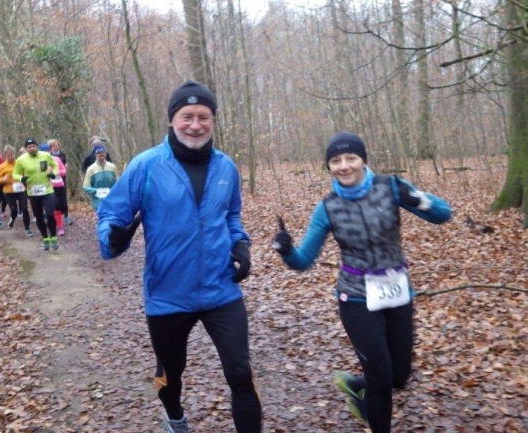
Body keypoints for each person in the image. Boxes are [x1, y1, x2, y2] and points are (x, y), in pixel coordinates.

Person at [97, 80, 261, 433]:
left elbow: (231, 215)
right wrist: (113, 237)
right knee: (171, 375)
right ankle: (175, 418)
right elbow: (111, 214)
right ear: (172, 120)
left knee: (240, 372)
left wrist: (240, 245)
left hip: (221, 289)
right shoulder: (146, 166)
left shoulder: (226, 167)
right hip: (168, 293)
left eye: (203, 117)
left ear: (213, 120)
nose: (195, 125)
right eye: (187, 116)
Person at [272, 131, 452, 433]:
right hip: (356, 298)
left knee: (398, 377)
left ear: (363, 160)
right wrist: (286, 250)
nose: (344, 166)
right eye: (335, 161)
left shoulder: (390, 187)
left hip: (397, 292)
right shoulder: (328, 207)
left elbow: (443, 214)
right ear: (329, 167)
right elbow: (303, 261)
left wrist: (420, 200)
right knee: (381, 376)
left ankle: (359, 387)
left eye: (351, 158)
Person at [13, 138, 60, 251]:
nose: (32, 148)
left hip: (47, 190)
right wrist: (21, 178)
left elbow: (55, 165)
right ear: (26, 149)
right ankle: (45, 238)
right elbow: (15, 173)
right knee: (39, 217)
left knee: (50, 214)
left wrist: (53, 173)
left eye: (33, 146)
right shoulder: (21, 159)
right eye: (29, 147)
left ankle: (53, 236)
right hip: (33, 192)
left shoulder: (45, 155)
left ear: (37, 146)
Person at [0, 145, 33, 236]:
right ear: (5, 155)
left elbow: (25, 174)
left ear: (14, 154)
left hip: (20, 190)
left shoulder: (19, 163)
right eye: (8, 155)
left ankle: (27, 229)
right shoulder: (2, 166)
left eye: (12, 155)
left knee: (25, 209)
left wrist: (25, 179)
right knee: (14, 211)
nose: (10, 157)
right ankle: (12, 220)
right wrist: (3, 179)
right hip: (9, 192)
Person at [40, 142, 68, 236]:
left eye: (47, 151)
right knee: (56, 207)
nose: (46, 152)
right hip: (49, 187)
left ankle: (56, 221)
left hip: (60, 185)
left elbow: (64, 170)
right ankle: (60, 227)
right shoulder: (41, 163)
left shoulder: (56, 159)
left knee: (63, 205)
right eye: (44, 151)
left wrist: (57, 172)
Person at [83, 143, 117, 213]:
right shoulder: (91, 169)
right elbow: (86, 187)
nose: (101, 158)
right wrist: (97, 191)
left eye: (103, 155)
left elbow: (117, 183)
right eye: (99, 156)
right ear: (95, 156)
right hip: (98, 203)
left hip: (111, 201)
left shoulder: (112, 167)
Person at [48, 139, 72, 226]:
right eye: (53, 146)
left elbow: (64, 166)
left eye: (56, 145)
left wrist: (64, 168)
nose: (55, 147)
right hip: (50, 181)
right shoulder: (47, 156)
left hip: (61, 179)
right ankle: (53, 216)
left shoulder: (62, 155)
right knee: (53, 200)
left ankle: (66, 216)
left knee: (63, 199)